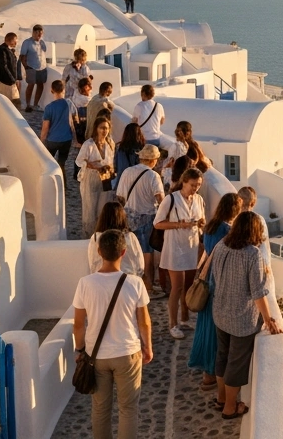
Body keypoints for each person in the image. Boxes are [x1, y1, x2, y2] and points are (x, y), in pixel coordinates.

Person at [71, 230, 152, 439]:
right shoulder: (135, 283)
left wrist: (79, 349)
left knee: (100, 409)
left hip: (97, 356)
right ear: (124, 252)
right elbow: (144, 322)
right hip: (127, 353)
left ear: (99, 252)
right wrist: (148, 348)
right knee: (128, 410)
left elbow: (78, 325)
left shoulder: (85, 283)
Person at [210, 211, 283, 420]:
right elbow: (258, 292)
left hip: (220, 311)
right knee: (236, 362)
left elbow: (216, 276)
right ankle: (230, 407)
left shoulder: (223, 245)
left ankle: (221, 398)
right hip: (241, 319)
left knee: (222, 356)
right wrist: (269, 320)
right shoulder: (252, 254)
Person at [190, 193, 239, 392]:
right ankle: (210, 374)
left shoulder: (210, 227)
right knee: (214, 330)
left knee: (205, 326)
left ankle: (206, 373)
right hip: (217, 282)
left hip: (206, 280)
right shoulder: (227, 231)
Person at [155, 168, 205, 339]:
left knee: (189, 286)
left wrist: (201, 224)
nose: (195, 188)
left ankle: (184, 318)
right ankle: (172, 324)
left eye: (198, 185)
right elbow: (158, 223)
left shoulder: (199, 199)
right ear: (184, 182)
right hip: (175, 247)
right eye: (193, 185)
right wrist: (178, 225)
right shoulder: (171, 199)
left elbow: (200, 222)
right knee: (177, 287)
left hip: (191, 246)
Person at [115, 144, 165, 296]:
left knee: (131, 251)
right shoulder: (153, 176)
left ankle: (134, 282)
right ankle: (148, 285)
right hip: (148, 216)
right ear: (154, 160)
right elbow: (160, 198)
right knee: (146, 252)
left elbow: (120, 196)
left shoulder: (127, 171)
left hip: (129, 216)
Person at [78, 117, 116, 236]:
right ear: (96, 128)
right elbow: (80, 161)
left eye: (106, 128)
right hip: (91, 178)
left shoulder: (110, 143)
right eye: (102, 128)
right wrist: (96, 167)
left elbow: (112, 161)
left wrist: (109, 168)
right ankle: (89, 234)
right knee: (90, 207)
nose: (104, 131)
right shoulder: (89, 144)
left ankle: (100, 232)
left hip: (105, 179)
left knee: (103, 207)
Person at [88, 203, 145, 276]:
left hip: (102, 278)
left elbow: (92, 262)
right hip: (127, 278)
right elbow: (139, 262)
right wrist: (137, 277)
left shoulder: (96, 237)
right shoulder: (129, 237)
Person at [38, 80, 77, 175]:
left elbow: (45, 128)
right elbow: (76, 120)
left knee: (48, 163)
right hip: (66, 139)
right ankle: (63, 185)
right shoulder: (69, 104)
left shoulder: (49, 108)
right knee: (62, 164)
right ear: (64, 90)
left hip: (52, 140)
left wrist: (41, 141)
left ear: (52, 90)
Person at [236, 186, 272, 272]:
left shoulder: (235, 219)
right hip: (258, 265)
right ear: (253, 203)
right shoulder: (259, 220)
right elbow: (263, 246)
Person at [19, 25, 50, 111]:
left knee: (40, 85)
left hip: (42, 68)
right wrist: (26, 67)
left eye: (40, 33)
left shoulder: (42, 42)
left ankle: (36, 104)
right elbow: (22, 56)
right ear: (33, 32)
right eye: (37, 33)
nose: (39, 35)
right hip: (31, 67)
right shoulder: (27, 42)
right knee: (31, 85)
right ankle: (28, 105)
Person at [0, 33, 22, 105]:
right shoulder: (1, 50)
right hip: (4, 82)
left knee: (14, 102)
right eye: (15, 41)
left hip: (10, 81)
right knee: (7, 104)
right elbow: (4, 66)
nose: (16, 43)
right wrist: (12, 79)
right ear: (10, 40)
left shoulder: (9, 50)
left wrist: (16, 79)